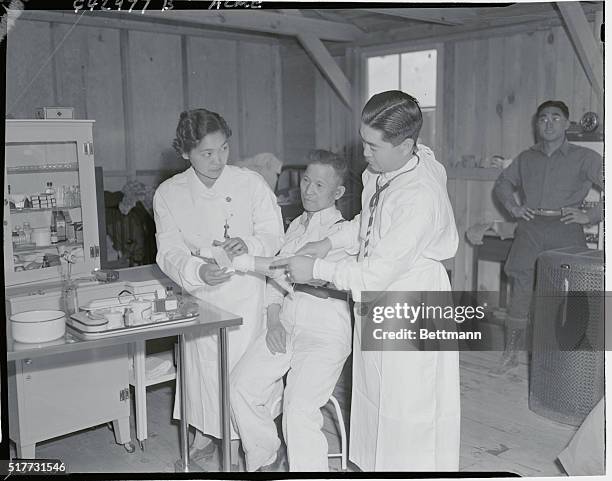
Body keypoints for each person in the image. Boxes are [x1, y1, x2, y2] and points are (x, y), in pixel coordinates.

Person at [273, 90, 461, 471]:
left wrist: (317, 270)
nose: (365, 154)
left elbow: (376, 271)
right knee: (376, 392)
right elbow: (369, 222)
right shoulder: (384, 168)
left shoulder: (420, 196)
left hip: (412, 293)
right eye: (364, 141)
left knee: (410, 402)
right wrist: (327, 242)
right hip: (381, 289)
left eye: (373, 146)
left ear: (407, 145)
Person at [153, 108, 284, 464]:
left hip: (246, 293)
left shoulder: (249, 182)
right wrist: (197, 271)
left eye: (223, 149)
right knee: (204, 373)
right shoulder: (170, 193)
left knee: (244, 374)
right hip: (203, 295)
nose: (218, 160)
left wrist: (251, 245)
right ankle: (205, 433)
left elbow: (273, 232)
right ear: (185, 153)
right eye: (206, 153)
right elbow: (169, 251)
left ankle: (254, 443)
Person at [230, 150, 353, 472]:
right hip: (286, 322)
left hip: (324, 333)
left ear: (337, 193)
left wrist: (244, 262)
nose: (309, 191)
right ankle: (266, 458)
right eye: (306, 181)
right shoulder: (296, 225)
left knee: (298, 410)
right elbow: (276, 284)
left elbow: (282, 270)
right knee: (241, 385)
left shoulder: (343, 233)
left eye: (320, 186)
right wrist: (272, 322)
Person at [492, 100, 603, 373]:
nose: (548, 123)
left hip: (565, 228)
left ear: (566, 123)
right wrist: (514, 207)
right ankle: (511, 353)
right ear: (536, 123)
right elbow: (503, 183)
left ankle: (564, 360)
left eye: (555, 118)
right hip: (530, 229)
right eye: (543, 118)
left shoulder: (585, 157)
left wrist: (590, 216)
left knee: (570, 291)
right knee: (520, 287)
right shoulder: (526, 157)